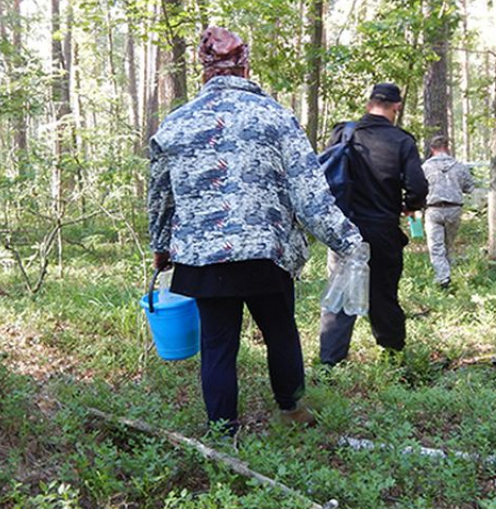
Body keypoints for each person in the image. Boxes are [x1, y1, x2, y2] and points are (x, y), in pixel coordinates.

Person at [147, 26, 363, 436]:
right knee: (280, 330)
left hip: (203, 255)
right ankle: (290, 410)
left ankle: (222, 431)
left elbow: (161, 197)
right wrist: (347, 240)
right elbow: (309, 193)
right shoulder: (275, 116)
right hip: (267, 251)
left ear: (204, 71)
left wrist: (161, 246)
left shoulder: (175, 124)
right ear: (245, 67)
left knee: (217, 343)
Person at [318, 84, 428, 367]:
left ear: (369, 105)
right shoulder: (402, 141)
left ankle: (330, 362)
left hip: (344, 229)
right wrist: (410, 205)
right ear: (397, 107)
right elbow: (417, 187)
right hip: (382, 231)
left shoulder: (345, 133)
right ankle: (392, 356)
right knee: (383, 293)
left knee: (340, 293)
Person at [421, 134, 474, 289]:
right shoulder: (459, 166)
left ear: (432, 149)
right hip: (454, 209)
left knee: (436, 246)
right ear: (447, 147)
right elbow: (469, 188)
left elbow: (418, 187)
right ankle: (449, 273)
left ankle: (443, 278)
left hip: (434, 209)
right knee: (449, 244)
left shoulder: (425, 167)